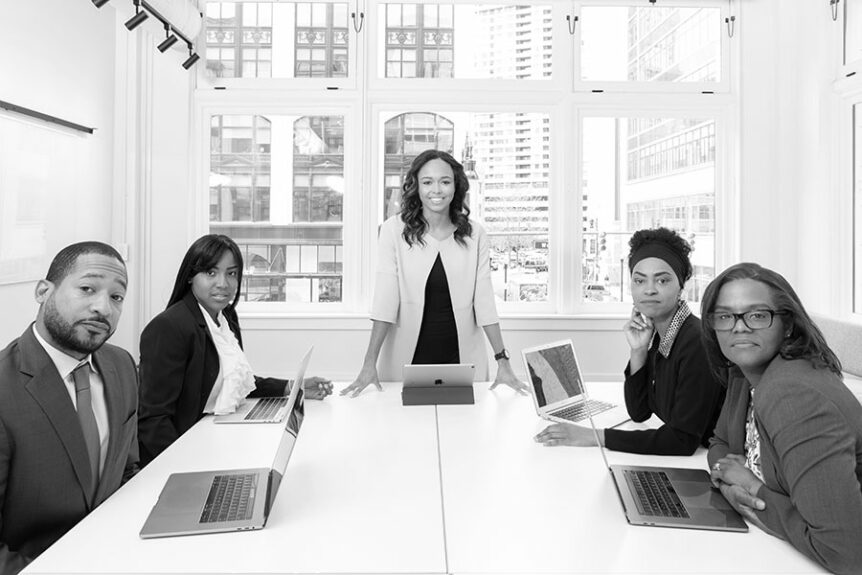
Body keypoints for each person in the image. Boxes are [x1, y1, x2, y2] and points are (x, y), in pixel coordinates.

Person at [703, 263, 862, 575]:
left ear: (788, 325)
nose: (739, 327)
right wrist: (729, 482)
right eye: (725, 316)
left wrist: (752, 490)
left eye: (758, 315)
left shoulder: (792, 395)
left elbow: (845, 554)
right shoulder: (742, 372)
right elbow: (719, 443)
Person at [0, 242, 139, 574]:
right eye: (87, 289)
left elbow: (128, 472)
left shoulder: (121, 365)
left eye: (116, 297)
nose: (103, 308)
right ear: (43, 291)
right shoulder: (5, 386)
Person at [341, 149, 527, 396]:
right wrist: (368, 363)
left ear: (456, 186)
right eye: (427, 182)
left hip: (461, 358)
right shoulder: (393, 230)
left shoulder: (475, 234)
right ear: (416, 187)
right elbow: (385, 301)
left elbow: (484, 302)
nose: (436, 190)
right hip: (406, 359)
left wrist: (502, 361)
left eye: (445, 182)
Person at [137, 234, 333, 466]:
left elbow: (236, 380)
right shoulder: (169, 327)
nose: (223, 283)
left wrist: (292, 387)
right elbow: (154, 421)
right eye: (211, 272)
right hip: (185, 451)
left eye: (231, 273)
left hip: (216, 437)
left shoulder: (226, 316)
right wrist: (183, 469)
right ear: (191, 276)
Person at [535, 228, 725, 454]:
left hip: (709, 463)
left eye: (662, 280)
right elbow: (639, 412)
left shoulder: (697, 342)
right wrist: (638, 351)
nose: (650, 290)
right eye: (639, 280)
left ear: (682, 285)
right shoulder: (658, 335)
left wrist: (594, 436)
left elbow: (681, 441)